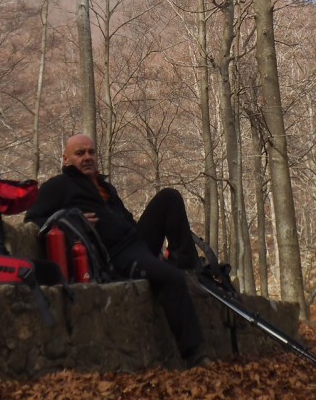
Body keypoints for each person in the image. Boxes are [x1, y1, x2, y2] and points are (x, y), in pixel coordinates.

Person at [25, 134, 210, 367]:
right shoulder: (59, 186)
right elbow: (33, 220)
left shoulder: (105, 187)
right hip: (117, 255)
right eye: (80, 153)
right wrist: (71, 218)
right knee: (170, 279)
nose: (87, 158)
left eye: (91, 152)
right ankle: (195, 356)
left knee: (169, 197)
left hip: (136, 240)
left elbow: (126, 220)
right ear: (66, 160)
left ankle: (185, 265)